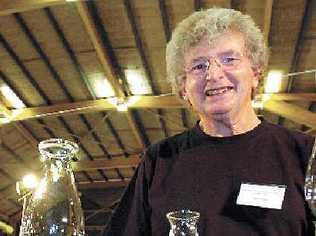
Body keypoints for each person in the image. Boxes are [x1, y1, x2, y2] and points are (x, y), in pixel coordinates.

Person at [104, 7, 315, 236]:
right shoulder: (159, 161)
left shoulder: (304, 153)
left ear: (255, 73)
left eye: (229, 59)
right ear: (183, 87)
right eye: (199, 66)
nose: (213, 74)